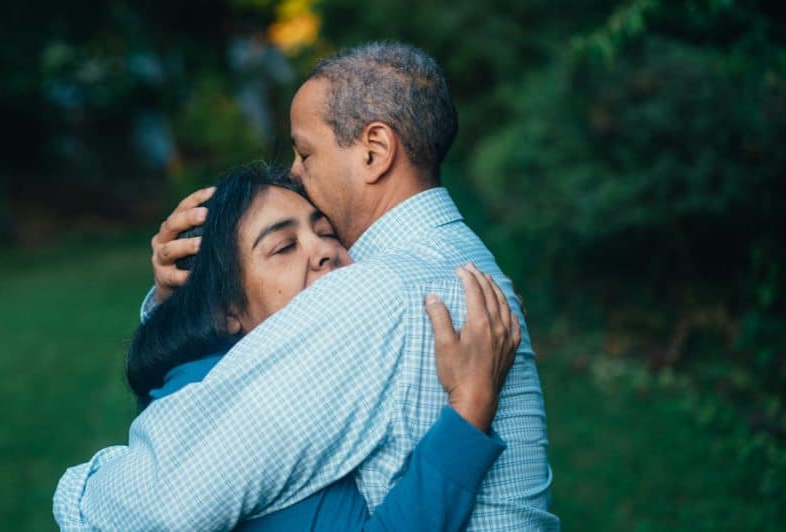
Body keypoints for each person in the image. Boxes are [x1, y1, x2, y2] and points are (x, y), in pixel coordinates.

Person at [56, 41, 557, 530]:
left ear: (375, 151)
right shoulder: (460, 261)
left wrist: (78, 489)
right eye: (284, 245)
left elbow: (158, 503)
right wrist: (182, 299)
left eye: (305, 153)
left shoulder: (374, 294)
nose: (295, 174)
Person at [115, 165, 518, 530]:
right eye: (284, 247)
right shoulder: (263, 417)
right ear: (225, 311)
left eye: (326, 232)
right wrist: (470, 407)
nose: (325, 250)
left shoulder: (199, 375)